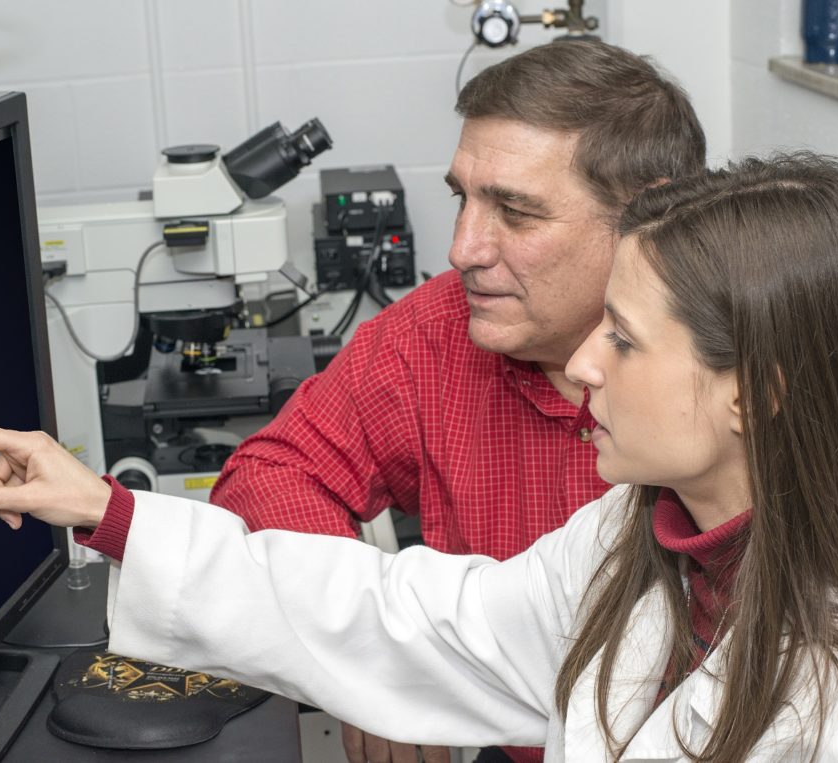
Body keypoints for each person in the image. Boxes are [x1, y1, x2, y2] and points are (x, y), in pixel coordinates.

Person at [0, 152, 838, 760]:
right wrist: (111, 511)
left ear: (757, 389)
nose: (582, 365)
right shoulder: (640, 537)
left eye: (621, 338)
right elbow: (412, 618)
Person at [209, 38, 706, 763]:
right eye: (462, 198)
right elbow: (270, 474)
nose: (463, 249)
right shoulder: (438, 336)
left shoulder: (743, 364)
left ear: (646, 216)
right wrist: (376, 659)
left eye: (516, 211)